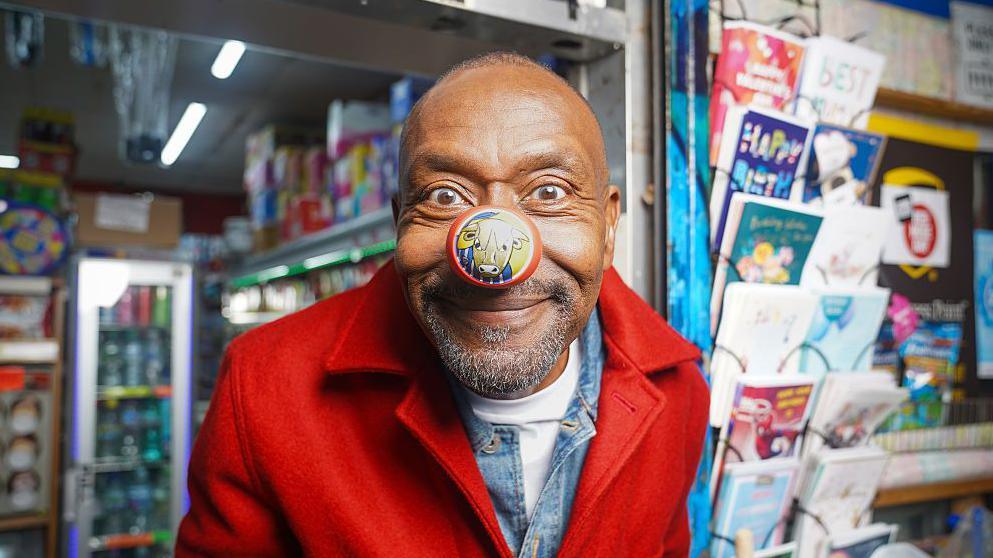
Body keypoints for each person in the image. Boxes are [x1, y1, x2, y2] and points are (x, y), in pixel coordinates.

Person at [177, 52, 708, 558]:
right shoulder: (263, 392)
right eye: (445, 196)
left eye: (549, 193)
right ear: (399, 222)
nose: (497, 262)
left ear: (609, 226)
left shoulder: (678, 392)